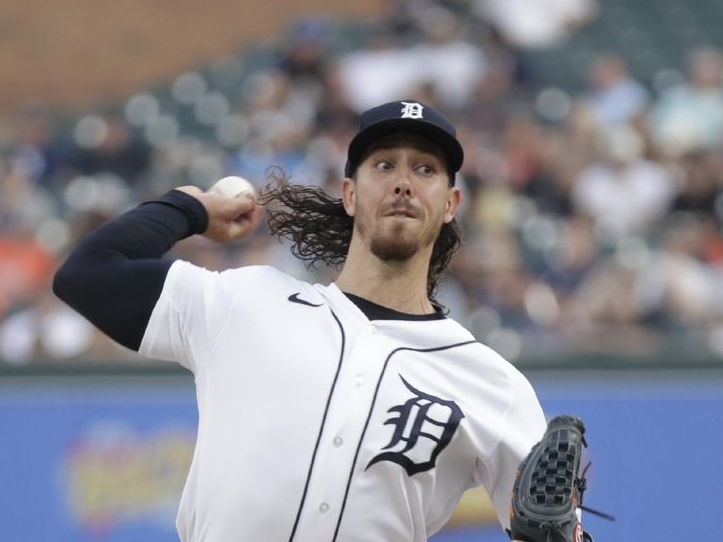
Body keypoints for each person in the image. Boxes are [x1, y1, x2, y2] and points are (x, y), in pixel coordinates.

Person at [53, 100, 549, 542]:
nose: (403, 180)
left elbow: (549, 527)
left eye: (425, 168)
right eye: (384, 164)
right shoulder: (247, 301)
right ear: (350, 195)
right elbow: (88, 275)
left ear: (449, 204)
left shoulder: (491, 384)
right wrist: (190, 209)